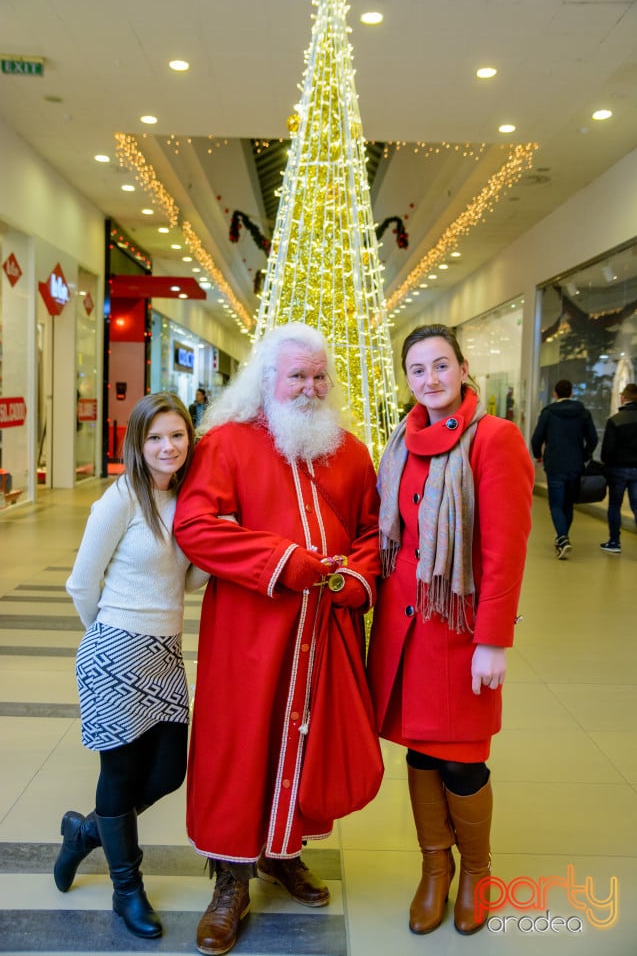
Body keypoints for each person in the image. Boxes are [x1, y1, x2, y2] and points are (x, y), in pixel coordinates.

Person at [173, 323, 381, 956]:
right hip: (249, 633)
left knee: (309, 745)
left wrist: (358, 582)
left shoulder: (350, 451)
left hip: (323, 633)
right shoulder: (227, 444)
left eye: (319, 376)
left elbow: (373, 535)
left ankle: (282, 852)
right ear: (267, 380)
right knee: (240, 747)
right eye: (297, 376)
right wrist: (282, 561)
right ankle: (230, 877)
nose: (310, 387)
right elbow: (197, 527)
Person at [367, 324, 534, 936]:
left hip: (457, 630)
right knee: (420, 750)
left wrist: (492, 639)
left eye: (441, 366)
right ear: (406, 379)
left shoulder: (495, 439)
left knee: (462, 760)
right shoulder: (401, 440)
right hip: (404, 631)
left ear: (463, 369)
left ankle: (477, 872)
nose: (430, 379)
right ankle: (435, 867)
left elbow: (505, 548)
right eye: (417, 370)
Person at [55, 393, 208, 939]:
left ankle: (84, 834)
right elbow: (80, 581)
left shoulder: (188, 498)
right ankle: (127, 889)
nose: (168, 447)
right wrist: (109, 635)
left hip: (165, 654)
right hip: (116, 648)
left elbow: (186, 580)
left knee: (169, 771)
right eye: (155, 438)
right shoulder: (119, 499)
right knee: (119, 774)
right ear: (137, 445)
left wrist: (219, 541)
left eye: (177, 436)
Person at [530, 378, 597, 559]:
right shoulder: (582, 412)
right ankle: (563, 538)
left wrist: (538, 454)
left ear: (555, 394)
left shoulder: (548, 413)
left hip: (555, 464)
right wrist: (585, 455)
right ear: (572, 392)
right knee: (568, 504)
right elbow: (593, 439)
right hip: (576, 465)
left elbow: (537, 438)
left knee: (556, 504)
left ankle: (562, 537)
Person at [599, 382, 637, 553]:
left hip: (618, 469)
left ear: (623, 397)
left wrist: (606, 465)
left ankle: (614, 541)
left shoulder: (615, 420)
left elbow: (608, 449)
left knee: (615, 505)